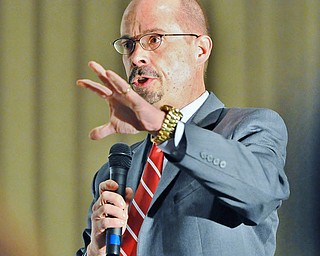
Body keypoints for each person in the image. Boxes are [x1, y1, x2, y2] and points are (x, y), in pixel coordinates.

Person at [76, 0, 290, 255]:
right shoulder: (114, 172)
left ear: (200, 49)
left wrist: (162, 124)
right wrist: (94, 251)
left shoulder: (249, 128)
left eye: (154, 39)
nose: (136, 57)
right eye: (129, 44)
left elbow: (261, 192)